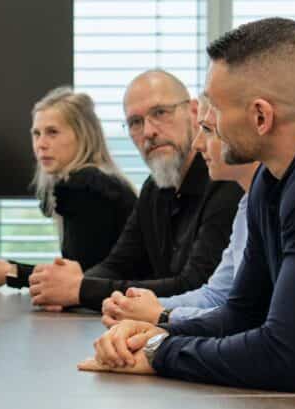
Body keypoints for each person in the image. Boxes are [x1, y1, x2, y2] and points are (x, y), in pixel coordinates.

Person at [80, 18, 295, 397]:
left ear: (261, 116)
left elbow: (284, 357)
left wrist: (160, 352)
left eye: (214, 107)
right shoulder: (270, 179)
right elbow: (241, 315)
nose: (204, 121)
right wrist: (157, 332)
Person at [27, 70, 243, 312]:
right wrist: (68, 289)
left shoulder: (226, 182)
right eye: (135, 122)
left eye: (160, 113)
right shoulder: (154, 189)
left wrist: (80, 290)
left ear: (194, 112)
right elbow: (118, 264)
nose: (149, 131)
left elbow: (195, 287)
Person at [100, 95, 257, 326]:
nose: (198, 143)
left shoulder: (240, 194)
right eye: (135, 122)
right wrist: (135, 307)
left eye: (208, 129)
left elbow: (250, 320)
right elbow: (215, 295)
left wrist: (161, 317)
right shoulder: (248, 204)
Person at [0, 87, 136, 291]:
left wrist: (8, 272)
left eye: (52, 132)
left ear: (83, 136)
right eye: (36, 134)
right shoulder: (102, 181)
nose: (41, 144)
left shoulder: (87, 187)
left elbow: (80, 280)